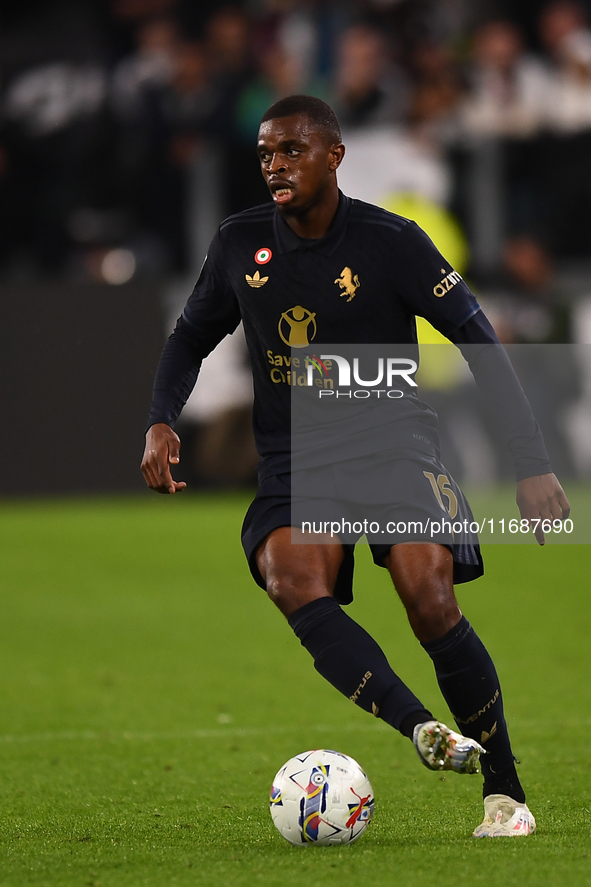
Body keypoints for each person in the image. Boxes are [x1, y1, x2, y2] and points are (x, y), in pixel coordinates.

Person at [141, 95, 570, 838]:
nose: (275, 165)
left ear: (333, 156)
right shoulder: (241, 241)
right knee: (289, 577)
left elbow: (477, 339)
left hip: (392, 443)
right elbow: (189, 335)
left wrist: (530, 463)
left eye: (292, 151)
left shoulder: (391, 241)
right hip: (295, 458)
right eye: (266, 154)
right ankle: (420, 729)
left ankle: (503, 790)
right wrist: (160, 418)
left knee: (427, 596)